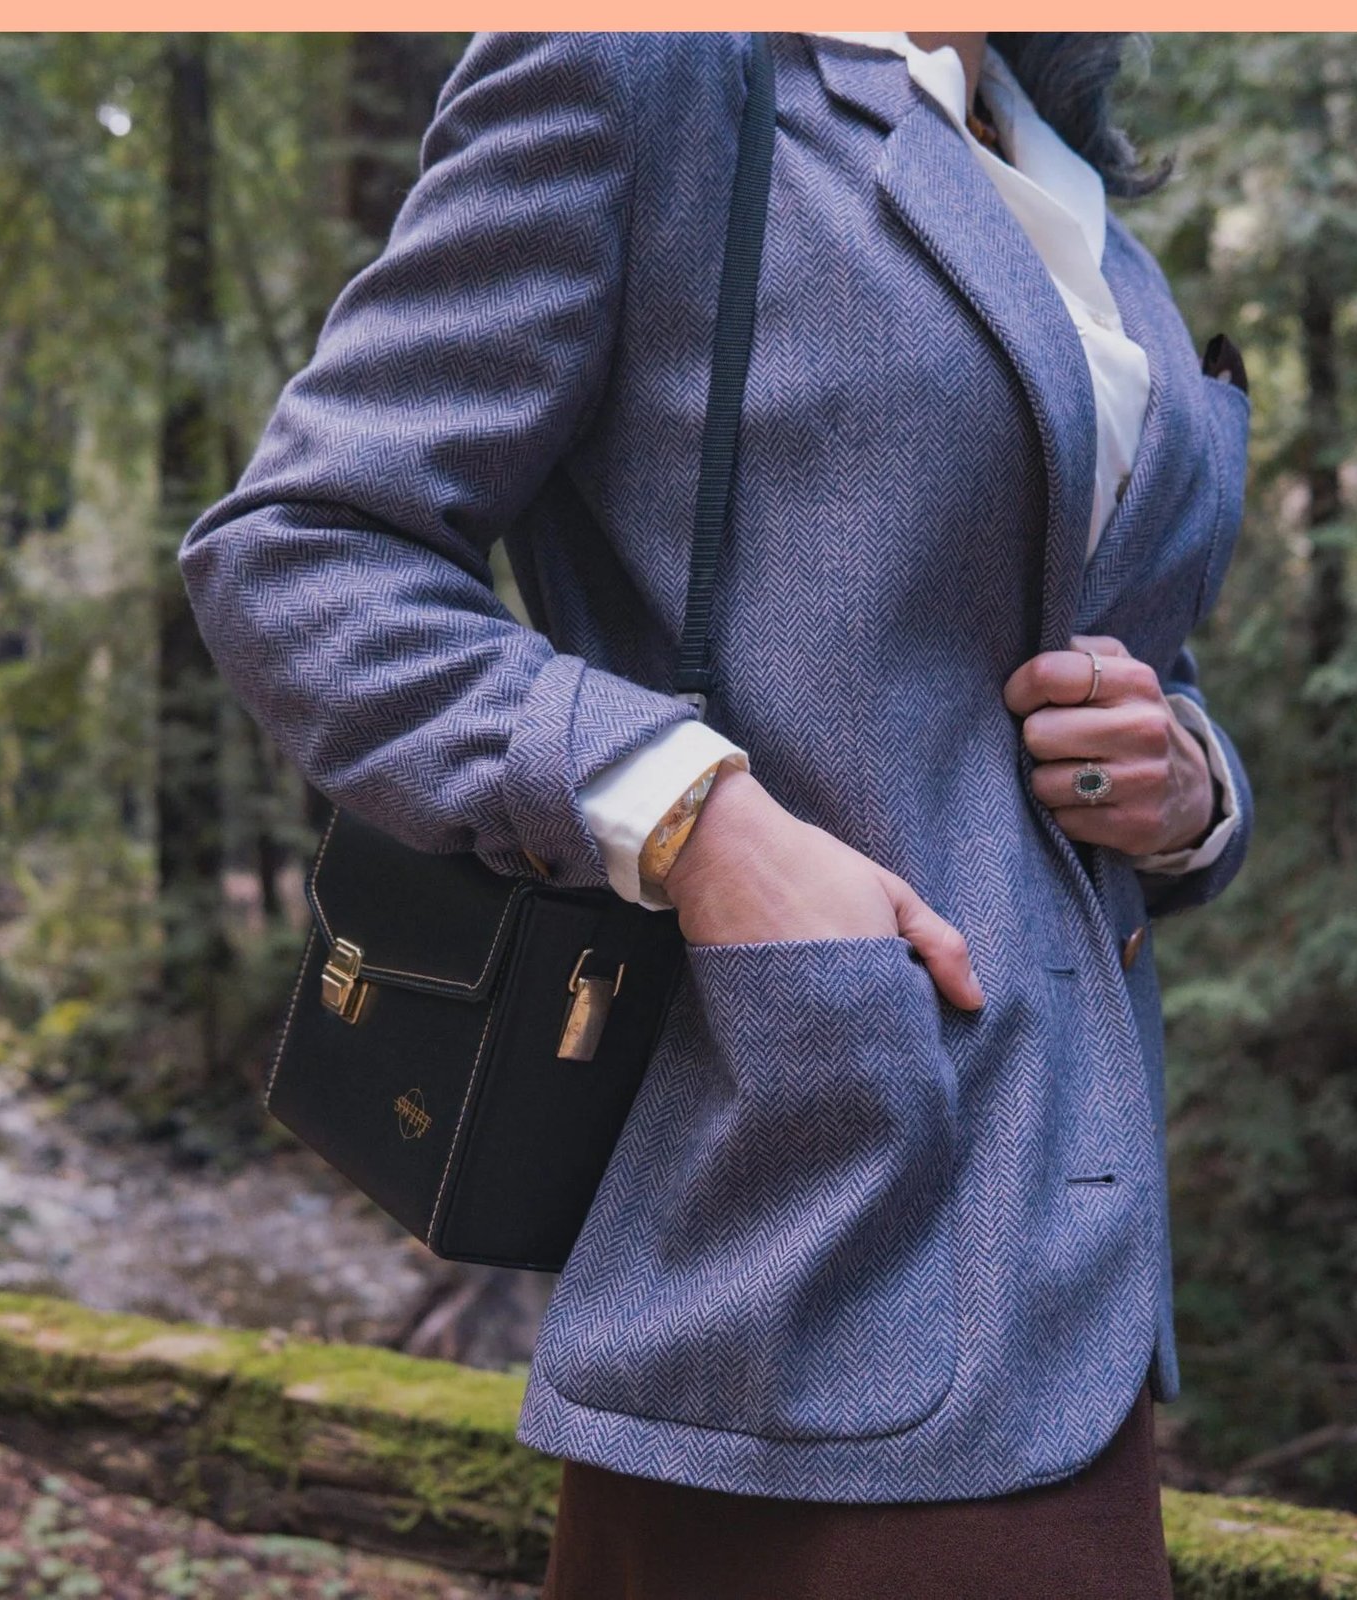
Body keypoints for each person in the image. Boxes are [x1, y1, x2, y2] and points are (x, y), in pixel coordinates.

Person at [180, 30, 1253, 1598]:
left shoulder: (1057, 159)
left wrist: (1188, 782)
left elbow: (1097, 646)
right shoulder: (640, 70)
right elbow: (299, 552)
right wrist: (692, 814)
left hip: (1067, 1241)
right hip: (801, 1190)